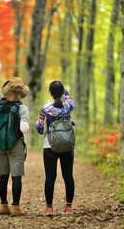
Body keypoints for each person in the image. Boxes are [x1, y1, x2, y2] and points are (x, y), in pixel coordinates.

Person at [0, 59, 29, 216]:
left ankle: (3, 206)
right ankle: (16, 207)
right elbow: (24, 129)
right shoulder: (22, 108)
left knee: (3, 175)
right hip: (15, 146)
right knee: (16, 176)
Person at [35, 81, 76, 216]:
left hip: (50, 146)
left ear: (50, 93)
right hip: (67, 144)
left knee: (50, 177)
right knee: (68, 176)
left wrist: (37, 123)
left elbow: (40, 129)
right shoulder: (68, 106)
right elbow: (72, 103)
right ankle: (69, 207)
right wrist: (66, 92)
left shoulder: (45, 109)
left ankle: (49, 208)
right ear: (62, 92)